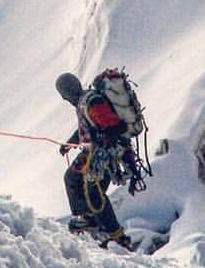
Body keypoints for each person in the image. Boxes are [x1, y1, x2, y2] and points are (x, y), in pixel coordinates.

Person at [56, 71, 144, 248]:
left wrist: (101, 138)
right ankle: (88, 218)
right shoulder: (86, 101)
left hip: (104, 154)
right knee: (74, 179)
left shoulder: (90, 101)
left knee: (93, 193)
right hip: (101, 152)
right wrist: (69, 144)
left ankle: (117, 236)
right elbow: (89, 127)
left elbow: (115, 126)